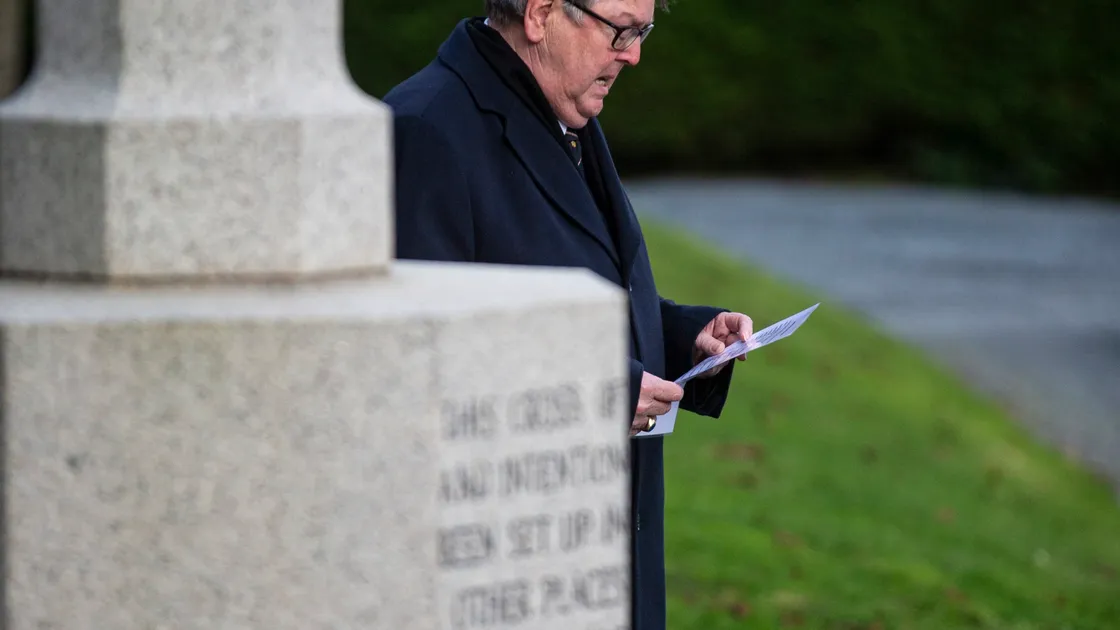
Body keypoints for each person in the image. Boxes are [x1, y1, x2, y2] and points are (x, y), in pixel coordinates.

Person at [383, 1, 753, 628]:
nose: (633, 54)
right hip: (505, 575)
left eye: (645, 30)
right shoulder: (426, 128)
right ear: (541, 12)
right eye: (622, 30)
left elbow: (561, 293)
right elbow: (410, 360)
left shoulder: (560, 107)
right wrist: (587, 387)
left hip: (601, 556)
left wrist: (681, 334)